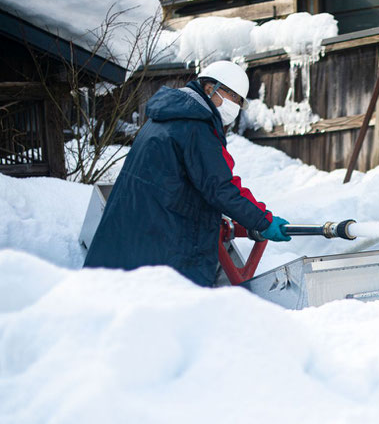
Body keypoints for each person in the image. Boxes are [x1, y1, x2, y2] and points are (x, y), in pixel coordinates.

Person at [84, 60, 290, 287]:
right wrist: (263, 220)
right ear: (211, 88)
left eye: (240, 103)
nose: (235, 107)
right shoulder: (195, 127)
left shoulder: (165, 118)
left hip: (134, 236)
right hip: (165, 243)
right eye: (234, 98)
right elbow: (221, 187)